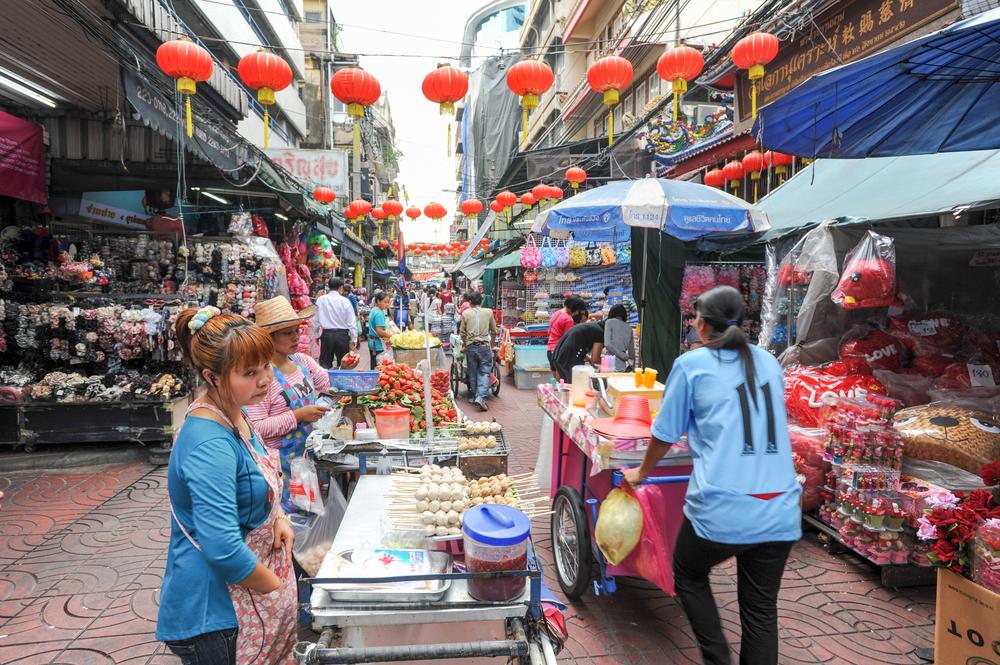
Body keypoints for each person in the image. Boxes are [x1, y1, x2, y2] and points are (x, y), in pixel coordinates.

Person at [623, 286, 801, 665]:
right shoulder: (768, 362)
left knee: (687, 572)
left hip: (724, 506)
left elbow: (664, 434)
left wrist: (641, 472)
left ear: (701, 324)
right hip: (781, 508)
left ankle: (717, 656)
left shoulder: (692, 364)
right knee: (760, 612)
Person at [157, 306, 297, 665]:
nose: (265, 379)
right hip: (216, 613)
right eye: (249, 372)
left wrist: (278, 516)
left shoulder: (239, 410)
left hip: (245, 595)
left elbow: (261, 473)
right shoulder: (209, 443)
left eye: (266, 365)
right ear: (212, 375)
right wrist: (277, 591)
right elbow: (222, 549)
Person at [245, 296, 331, 527]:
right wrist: (297, 416)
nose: (295, 337)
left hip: (306, 461)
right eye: (287, 333)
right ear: (267, 338)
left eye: (296, 330)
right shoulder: (262, 378)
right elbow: (256, 428)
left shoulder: (302, 360)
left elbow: (327, 384)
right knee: (288, 525)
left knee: (309, 520)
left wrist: (345, 367)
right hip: (279, 468)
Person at [459, 291, 497, 411]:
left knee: (473, 372)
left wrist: (465, 345)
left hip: (471, 347)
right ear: (481, 301)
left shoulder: (465, 313)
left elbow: (462, 333)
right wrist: (491, 345)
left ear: (470, 302)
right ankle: (480, 397)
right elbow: (494, 331)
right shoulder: (489, 312)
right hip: (484, 346)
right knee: (485, 372)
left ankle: (476, 396)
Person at [314, 277, 357, 369]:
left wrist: (317, 335)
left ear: (329, 286)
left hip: (327, 335)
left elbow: (316, 320)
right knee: (344, 364)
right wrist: (354, 338)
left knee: (325, 364)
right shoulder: (345, 301)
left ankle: (325, 382)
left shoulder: (321, 300)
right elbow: (351, 322)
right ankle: (342, 382)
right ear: (341, 287)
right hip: (342, 336)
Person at [547, 296, 588, 379]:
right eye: (578, 311)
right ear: (574, 308)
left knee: (557, 382)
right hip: (559, 352)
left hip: (550, 349)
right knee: (563, 381)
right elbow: (569, 340)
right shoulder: (568, 319)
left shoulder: (557, 313)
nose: (577, 313)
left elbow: (549, 331)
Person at [552, 318, 605, 383]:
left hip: (558, 353)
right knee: (575, 386)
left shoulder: (591, 327)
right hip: (570, 357)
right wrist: (608, 364)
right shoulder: (600, 332)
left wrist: (588, 359)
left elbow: (576, 344)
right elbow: (595, 359)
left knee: (563, 385)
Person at [603, 304, 635, 371]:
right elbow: (632, 353)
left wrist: (623, 356)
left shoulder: (609, 322)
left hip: (609, 363)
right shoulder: (629, 328)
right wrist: (631, 367)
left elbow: (607, 344)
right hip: (622, 366)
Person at [367, 290, 393, 366]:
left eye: (388, 302)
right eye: (385, 302)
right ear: (378, 301)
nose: (387, 304)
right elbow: (380, 331)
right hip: (378, 345)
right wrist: (393, 337)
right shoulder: (379, 313)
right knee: (379, 368)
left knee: (373, 365)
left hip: (373, 342)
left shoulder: (374, 310)